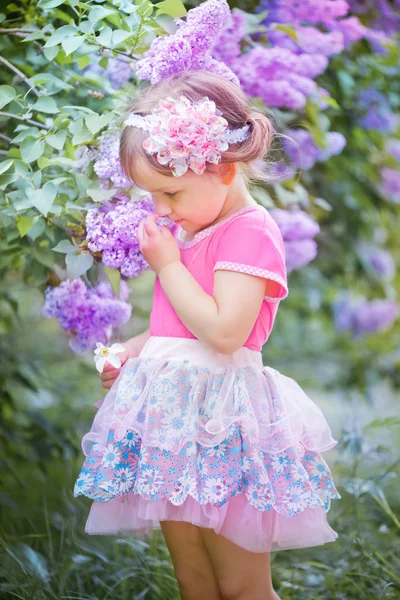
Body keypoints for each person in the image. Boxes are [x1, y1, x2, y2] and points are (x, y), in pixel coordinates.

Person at [74, 70, 341, 600]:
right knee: (192, 582)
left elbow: (223, 334)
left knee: (242, 587)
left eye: (169, 193)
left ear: (220, 168)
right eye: (153, 197)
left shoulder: (249, 231)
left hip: (227, 429)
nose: (161, 211)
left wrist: (167, 267)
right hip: (174, 429)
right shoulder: (192, 230)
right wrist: (134, 351)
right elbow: (179, 330)